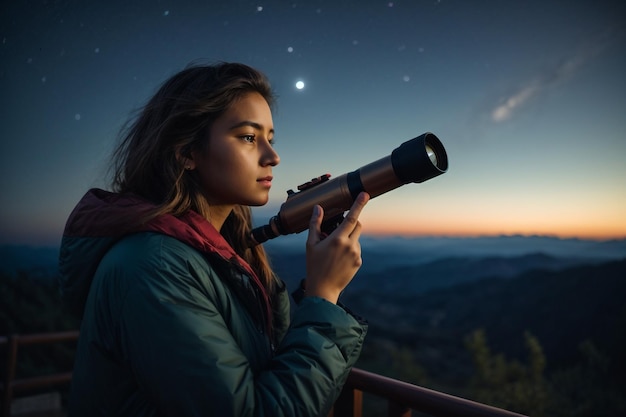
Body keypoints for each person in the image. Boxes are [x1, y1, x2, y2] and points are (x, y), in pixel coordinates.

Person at [58, 62, 370, 416]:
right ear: (187, 153)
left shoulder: (213, 254)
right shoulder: (153, 265)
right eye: (249, 137)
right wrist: (323, 296)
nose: (273, 156)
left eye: (270, 138)